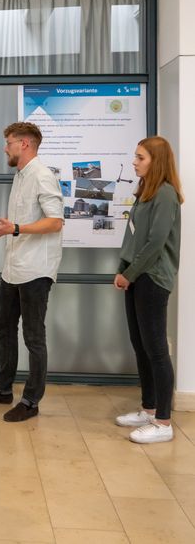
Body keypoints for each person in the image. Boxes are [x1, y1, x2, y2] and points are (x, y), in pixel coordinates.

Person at [0, 122, 63, 422]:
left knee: (33, 337)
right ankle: (2, 389)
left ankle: (31, 401)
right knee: (4, 327)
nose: (4, 147)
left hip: (36, 269)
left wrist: (16, 229)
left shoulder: (43, 176)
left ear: (25, 144)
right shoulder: (20, 175)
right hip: (13, 267)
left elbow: (55, 221)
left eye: (8, 142)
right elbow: (14, 223)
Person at [113, 136, 183, 444]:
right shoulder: (145, 192)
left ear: (156, 161)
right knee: (140, 345)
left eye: (140, 158)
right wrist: (122, 269)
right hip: (136, 276)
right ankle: (149, 408)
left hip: (152, 279)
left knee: (156, 349)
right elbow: (134, 238)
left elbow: (155, 243)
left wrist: (130, 274)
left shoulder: (166, 194)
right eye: (135, 156)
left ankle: (164, 422)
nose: (134, 162)